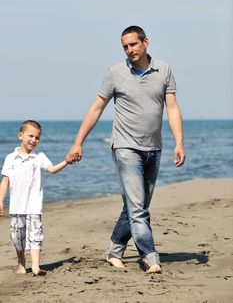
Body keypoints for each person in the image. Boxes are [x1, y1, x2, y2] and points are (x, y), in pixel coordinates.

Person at [66, 25, 185, 274]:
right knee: (138, 207)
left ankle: (114, 248)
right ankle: (150, 256)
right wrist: (78, 142)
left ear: (145, 42)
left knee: (135, 205)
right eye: (125, 46)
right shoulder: (115, 73)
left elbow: (172, 108)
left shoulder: (164, 70)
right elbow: (96, 108)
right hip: (125, 147)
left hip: (154, 148)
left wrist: (179, 142)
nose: (129, 50)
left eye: (133, 44)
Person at [0, 120, 68, 276]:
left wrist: (66, 161)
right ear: (20, 135)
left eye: (37, 138)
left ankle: (36, 266)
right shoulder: (11, 158)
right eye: (31, 136)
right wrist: (0, 200)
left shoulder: (39, 157)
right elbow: (5, 181)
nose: (34, 140)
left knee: (36, 235)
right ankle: (21, 264)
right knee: (18, 237)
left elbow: (52, 169)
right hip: (17, 206)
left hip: (34, 205)